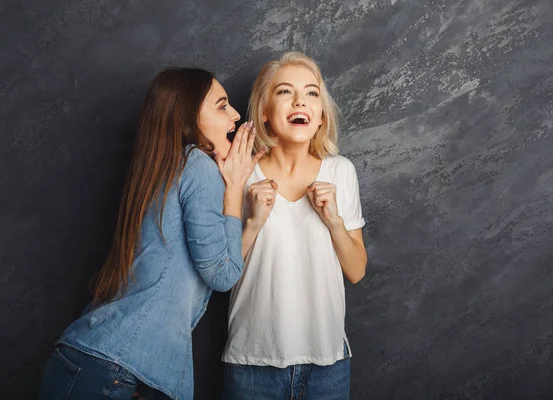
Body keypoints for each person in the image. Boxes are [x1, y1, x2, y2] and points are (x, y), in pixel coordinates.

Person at [38, 67, 264, 400]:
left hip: (87, 359)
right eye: (221, 105)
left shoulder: (162, 166)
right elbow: (222, 274)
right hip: (116, 370)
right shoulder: (198, 167)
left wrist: (253, 221)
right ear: (189, 118)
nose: (235, 115)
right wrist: (235, 187)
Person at [222, 52, 368, 400]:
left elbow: (357, 270)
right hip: (251, 366)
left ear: (320, 116)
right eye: (285, 91)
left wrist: (333, 221)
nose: (300, 100)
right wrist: (254, 223)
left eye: (312, 93)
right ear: (265, 113)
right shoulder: (239, 174)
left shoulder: (341, 172)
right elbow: (221, 275)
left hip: (328, 366)